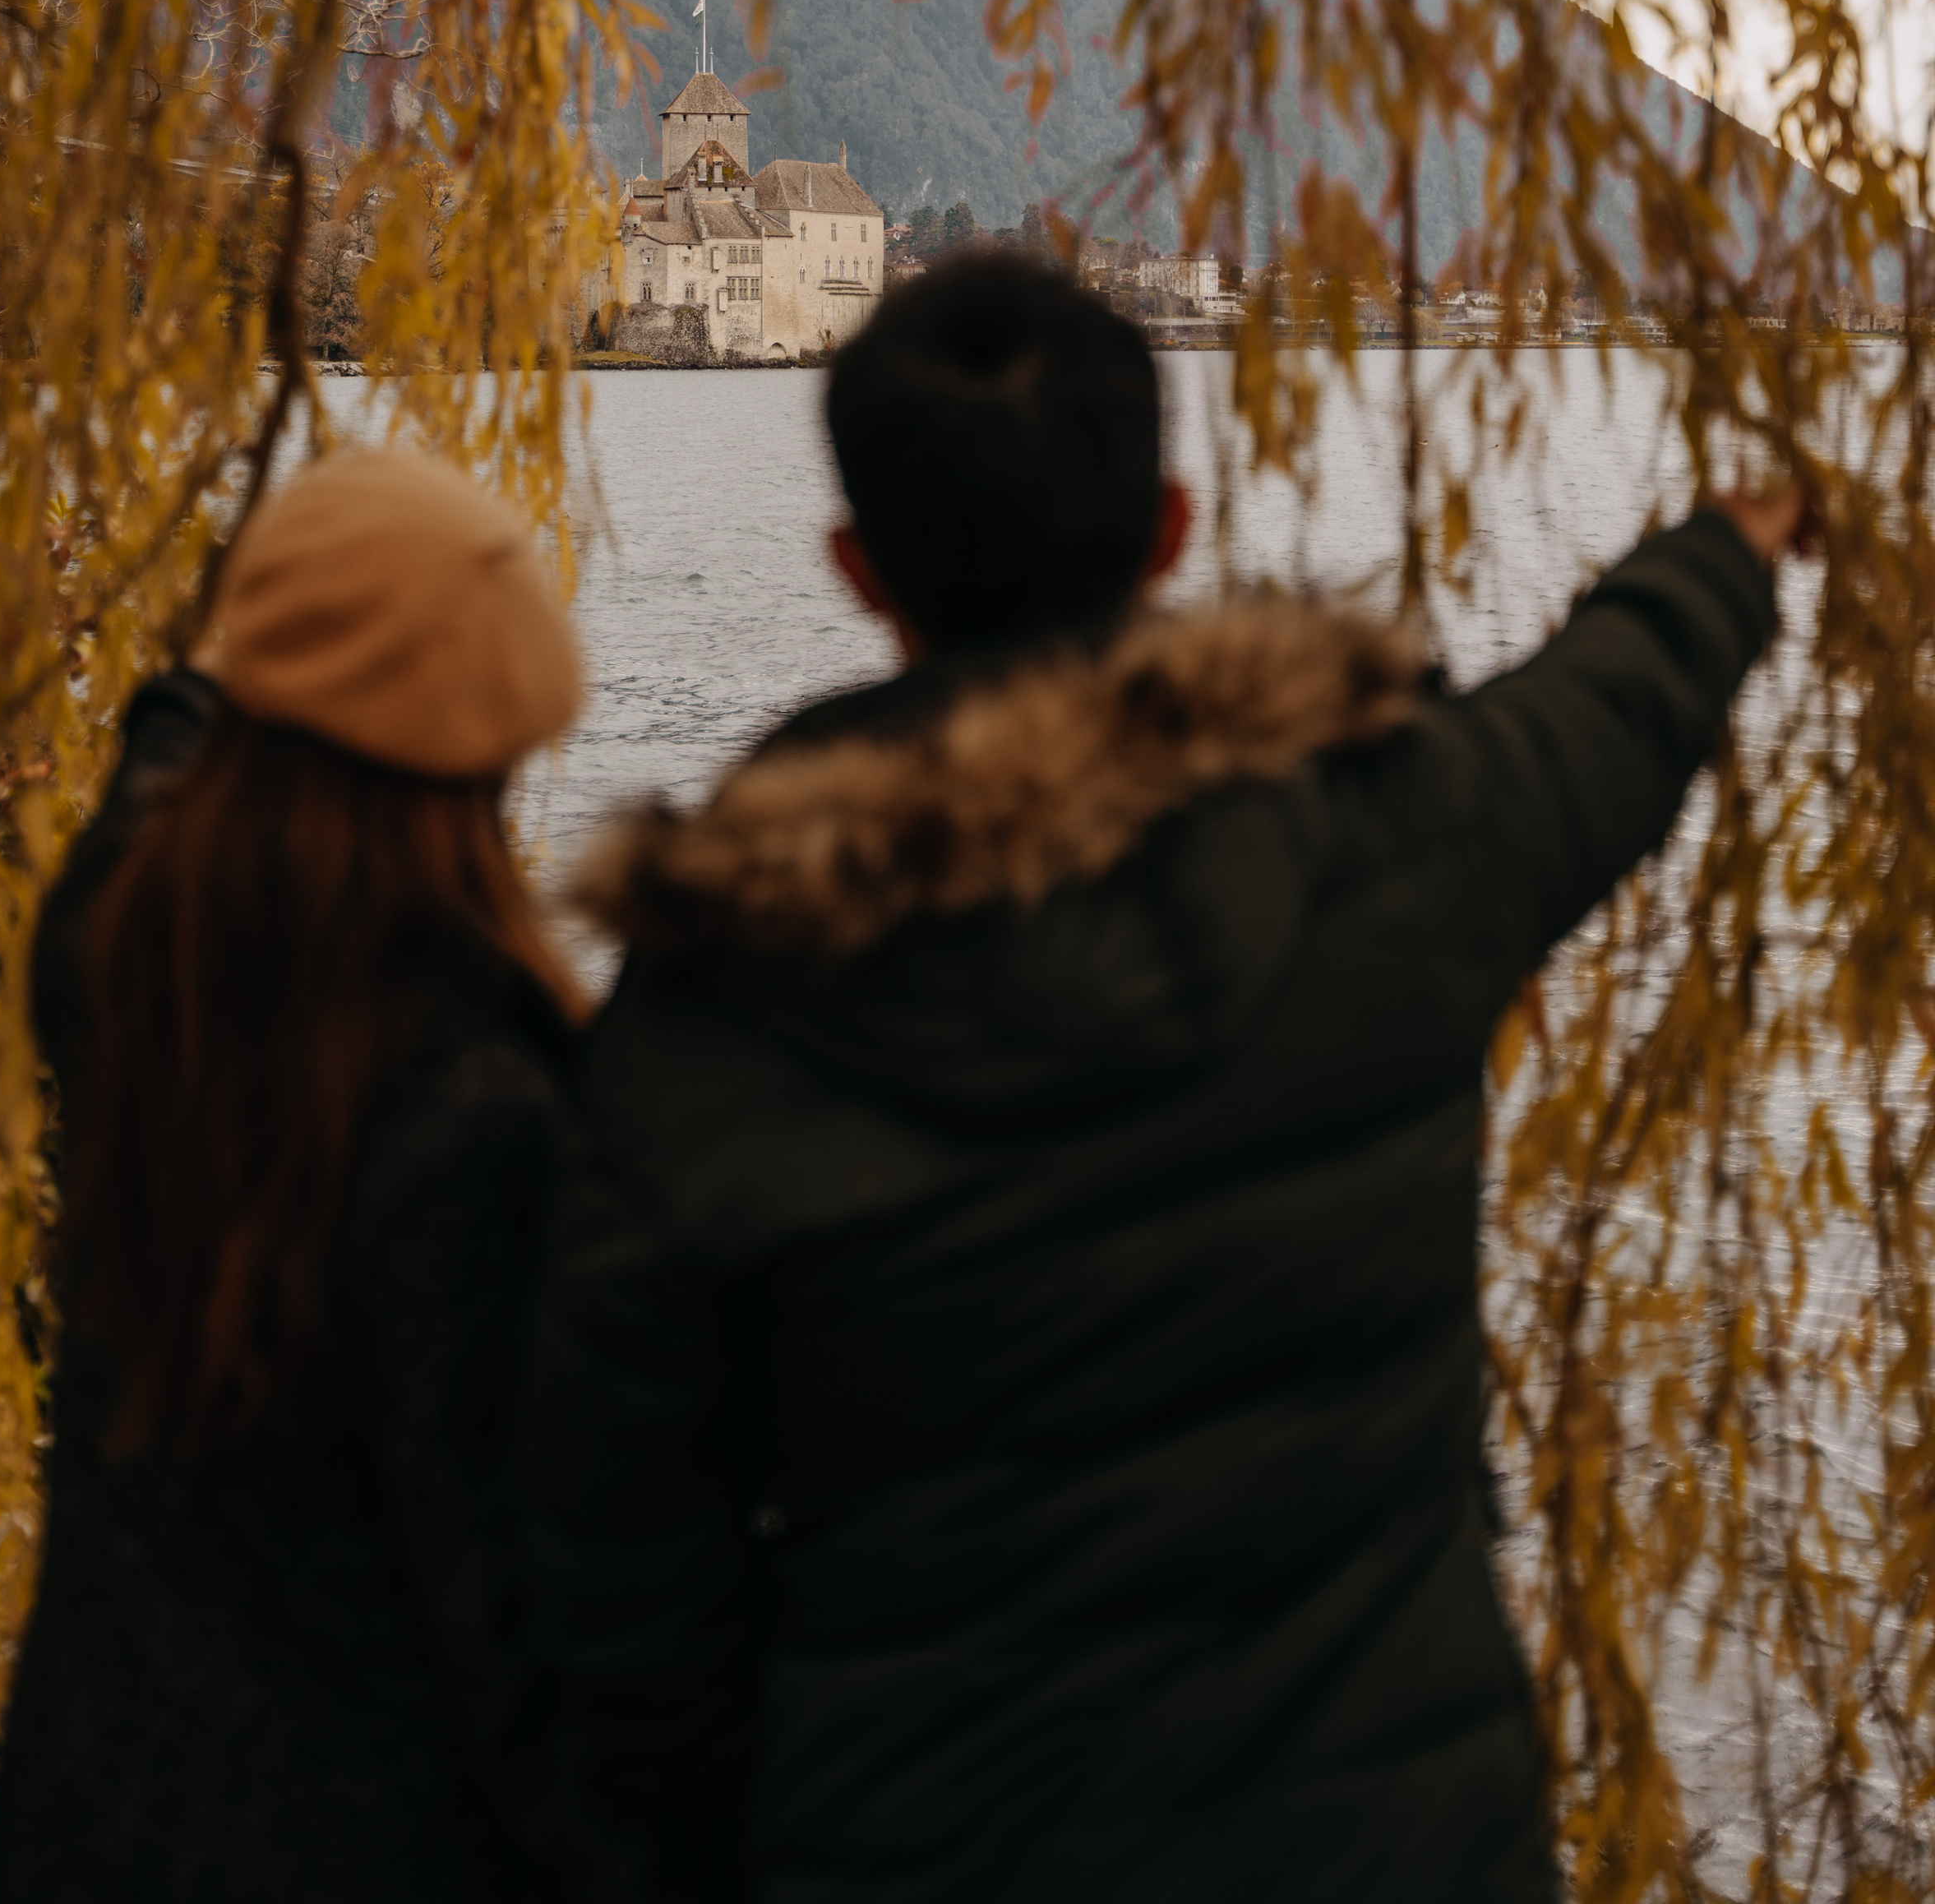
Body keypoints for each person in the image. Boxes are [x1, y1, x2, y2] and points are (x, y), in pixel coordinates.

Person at [524, 252, 1811, 1904]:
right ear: (1168, 535)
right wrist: (1730, 549)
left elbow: (616, 1554)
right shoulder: (1393, 844)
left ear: (857, 569)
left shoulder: (713, 1004)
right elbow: (1609, 707)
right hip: (1390, 1851)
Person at [0, 446, 586, 1904]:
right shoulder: (477, 1117)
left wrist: (229, 658)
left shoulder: (120, 960)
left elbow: (155, 778)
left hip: (87, 1812)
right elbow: (506, 1613)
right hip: (362, 1844)